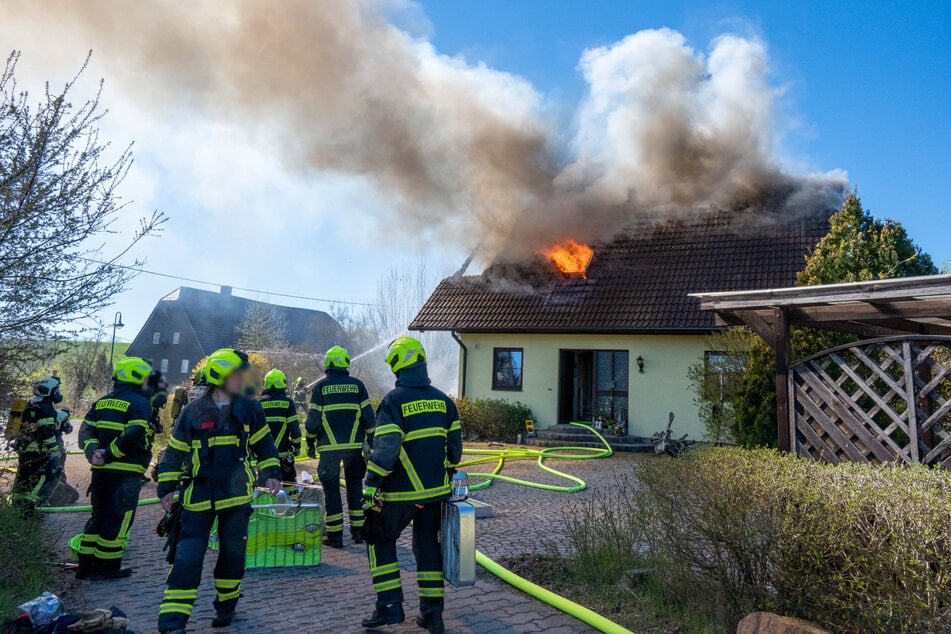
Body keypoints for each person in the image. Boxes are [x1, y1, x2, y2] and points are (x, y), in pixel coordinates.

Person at [155, 348, 282, 634]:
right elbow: (174, 454)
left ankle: (226, 606)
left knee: (233, 556)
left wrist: (272, 473)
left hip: (236, 497)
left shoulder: (250, 408)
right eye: (237, 374)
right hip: (197, 497)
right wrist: (166, 487)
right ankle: (172, 622)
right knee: (187, 559)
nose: (243, 379)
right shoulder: (192, 411)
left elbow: (265, 446)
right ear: (220, 376)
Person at [360, 336, 462, 633]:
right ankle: (432, 614)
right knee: (428, 548)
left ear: (397, 365)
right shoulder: (444, 400)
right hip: (436, 495)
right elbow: (455, 450)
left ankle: (389, 607)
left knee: (379, 540)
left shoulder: (393, 402)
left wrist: (372, 483)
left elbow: (387, 448)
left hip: (400, 494)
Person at [76, 358, 155, 580]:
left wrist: (95, 454)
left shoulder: (101, 402)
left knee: (98, 516)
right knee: (118, 520)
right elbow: (135, 434)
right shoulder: (139, 403)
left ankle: (85, 566)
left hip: (100, 472)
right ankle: (107, 568)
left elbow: (85, 432)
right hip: (126, 473)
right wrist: (110, 454)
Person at [305, 345, 376, 547]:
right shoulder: (358, 385)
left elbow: (312, 421)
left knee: (332, 491)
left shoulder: (320, 388)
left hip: (328, 450)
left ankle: (335, 536)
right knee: (354, 487)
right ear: (346, 363)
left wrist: (310, 443)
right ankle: (359, 532)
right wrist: (371, 442)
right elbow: (369, 419)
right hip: (354, 448)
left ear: (328, 364)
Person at [11, 376, 64, 514]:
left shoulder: (28, 404)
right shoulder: (45, 407)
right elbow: (46, 431)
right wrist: (54, 450)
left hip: (24, 452)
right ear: (47, 390)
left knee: (23, 478)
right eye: (56, 390)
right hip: (40, 453)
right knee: (43, 478)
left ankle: (17, 507)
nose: (58, 393)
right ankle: (30, 509)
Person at [259, 368, 301, 483]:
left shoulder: (258, 404)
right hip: (284, 455)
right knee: (290, 487)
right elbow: (295, 430)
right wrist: (297, 447)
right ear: (283, 383)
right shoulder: (288, 403)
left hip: (265, 457)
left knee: (264, 491)